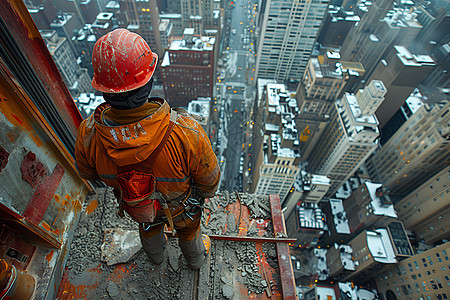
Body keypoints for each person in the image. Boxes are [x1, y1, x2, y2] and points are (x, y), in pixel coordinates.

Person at [75, 29, 220, 270]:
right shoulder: (187, 132)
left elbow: (88, 174)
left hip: (137, 206)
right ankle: (195, 263)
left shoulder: (88, 133)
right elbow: (210, 184)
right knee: (189, 232)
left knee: (148, 227)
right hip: (182, 208)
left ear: (104, 90)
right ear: (149, 82)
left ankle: (155, 259)